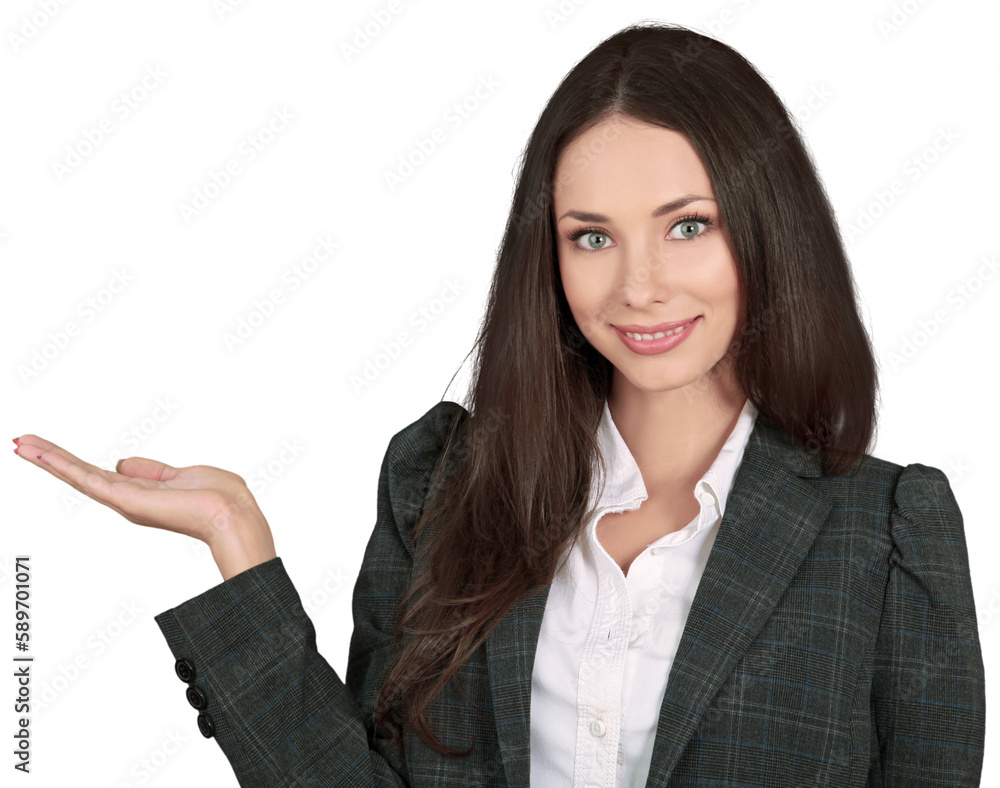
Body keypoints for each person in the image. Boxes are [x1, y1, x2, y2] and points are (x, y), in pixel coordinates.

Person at [14, 21, 985, 787]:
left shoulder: (886, 533)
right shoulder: (438, 486)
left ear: (767, 231)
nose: (638, 285)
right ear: (549, 255)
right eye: (591, 236)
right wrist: (239, 544)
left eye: (686, 225)